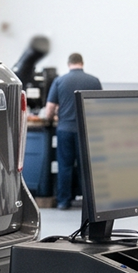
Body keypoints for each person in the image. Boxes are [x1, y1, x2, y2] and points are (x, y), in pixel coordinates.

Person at [42, 53, 102, 208]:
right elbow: (100, 107)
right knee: (86, 167)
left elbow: (50, 108)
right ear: (82, 63)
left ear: (69, 64)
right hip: (86, 131)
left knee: (65, 166)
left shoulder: (59, 81)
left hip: (65, 129)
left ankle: (63, 201)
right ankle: (88, 203)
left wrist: (50, 119)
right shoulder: (94, 81)